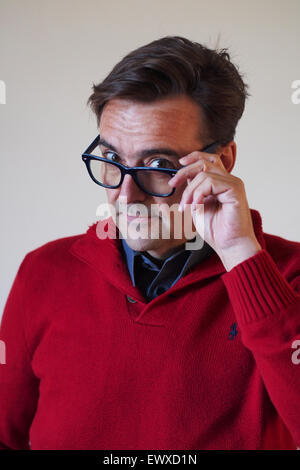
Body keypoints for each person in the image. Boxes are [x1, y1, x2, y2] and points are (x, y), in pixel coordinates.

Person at [1, 35, 300, 451]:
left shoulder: (288, 278)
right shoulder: (44, 272)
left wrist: (240, 255)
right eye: (110, 160)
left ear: (222, 163)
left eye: (158, 166)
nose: (125, 196)